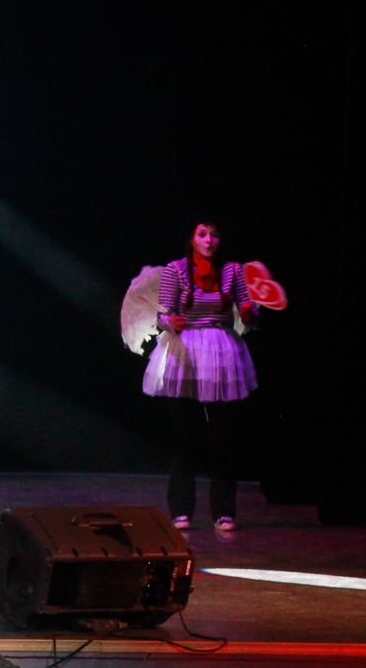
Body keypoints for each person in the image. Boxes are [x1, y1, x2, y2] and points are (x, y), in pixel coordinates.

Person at [142, 218, 257, 531]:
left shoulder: (232, 271)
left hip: (221, 352)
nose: (209, 240)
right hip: (186, 351)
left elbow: (250, 315)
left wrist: (249, 314)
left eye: (215, 235)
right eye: (203, 234)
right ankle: (180, 509)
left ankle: (224, 510)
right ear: (191, 239)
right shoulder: (176, 269)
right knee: (185, 436)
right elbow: (162, 314)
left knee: (223, 438)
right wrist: (172, 322)